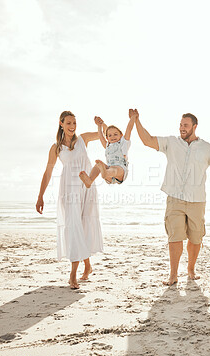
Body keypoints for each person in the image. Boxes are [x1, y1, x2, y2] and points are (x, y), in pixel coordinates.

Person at [130, 109, 210, 286]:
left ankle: (191, 268)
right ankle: (173, 275)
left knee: (196, 239)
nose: (182, 128)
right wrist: (136, 121)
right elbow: (147, 141)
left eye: (185, 125)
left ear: (194, 127)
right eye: (180, 125)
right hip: (175, 199)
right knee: (175, 237)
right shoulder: (171, 142)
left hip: (197, 200)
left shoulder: (206, 147)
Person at [36, 111, 104, 289]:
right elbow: (48, 172)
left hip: (87, 187)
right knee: (73, 226)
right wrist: (40, 195)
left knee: (83, 226)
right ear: (61, 123)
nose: (72, 126)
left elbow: (103, 135)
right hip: (69, 190)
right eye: (68, 123)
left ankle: (87, 265)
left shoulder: (83, 139)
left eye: (74, 123)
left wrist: (100, 124)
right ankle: (73, 273)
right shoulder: (56, 148)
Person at [79, 112, 135, 187]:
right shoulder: (107, 145)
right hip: (109, 172)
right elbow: (100, 136)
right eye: (110, 135)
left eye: (115, 134)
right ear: (107, 138)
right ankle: (90, 180)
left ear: (121, 135)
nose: (113, 137)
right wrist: (99, 126)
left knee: (114, 169)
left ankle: (105, 172)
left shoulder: (124, 143)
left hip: (120, 171)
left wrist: (133, 117)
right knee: (97, 165)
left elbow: (129, 129)